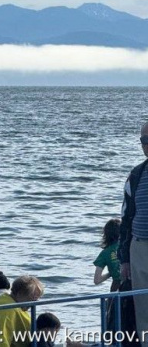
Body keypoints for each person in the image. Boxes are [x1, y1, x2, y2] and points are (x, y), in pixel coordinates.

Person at [119, 121, 148, 347]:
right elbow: (126, 216)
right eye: (143, 141)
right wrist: (124, 258)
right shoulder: (136, 174)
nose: (146, 145)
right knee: (143, 307)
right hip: (139, 248)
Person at [0, 275, 44, 347]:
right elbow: (0, 341)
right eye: (32, 298)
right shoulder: (7, 310)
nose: (34, 302)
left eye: (36, 299)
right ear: (20, 293)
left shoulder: (11, 302)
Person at [94, 218, 122, 291]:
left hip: (116, 287)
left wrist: (111, 273)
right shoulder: (129, 247)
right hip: (134, 285)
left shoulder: (105, 253)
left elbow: (97, 280)